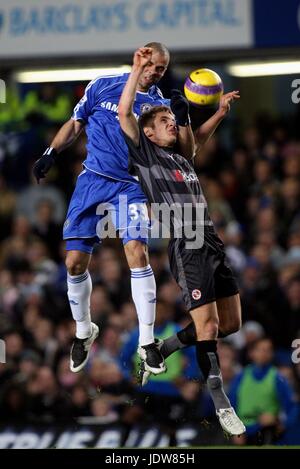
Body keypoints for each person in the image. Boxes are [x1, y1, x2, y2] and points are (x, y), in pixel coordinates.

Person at [33, 42, 184, 376]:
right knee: (73, 263)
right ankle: (85, 331)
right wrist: (51, 152)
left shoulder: (159, 105)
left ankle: (147, 343)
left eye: (161, 68)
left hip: (131, 186)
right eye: (152, 65)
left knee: (137, 253)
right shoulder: (100, 84)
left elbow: (174, 147)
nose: (156, 72)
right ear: (140, 60)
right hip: (92, 182)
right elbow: (75, 123)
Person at [118, 46, 245, 436]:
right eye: (164, 119)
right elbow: (125, 114)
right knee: (207, 329)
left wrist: (219, 113)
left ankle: (163, 347)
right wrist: (137, 70)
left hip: (210, 240)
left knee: (230, 325)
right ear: (149, 132)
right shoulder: (146, 156)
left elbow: (197, 141)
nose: (172, 123)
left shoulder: (181, 158)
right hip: (186, 242)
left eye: (173, 118)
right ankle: (222, 404)